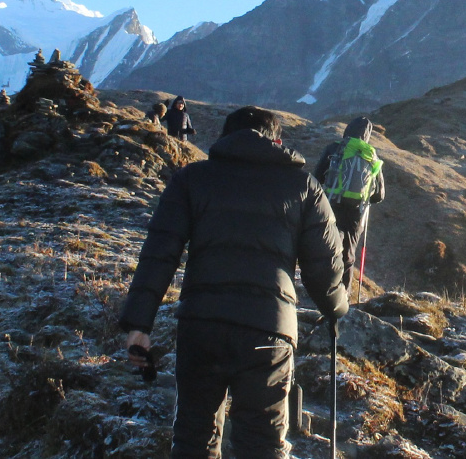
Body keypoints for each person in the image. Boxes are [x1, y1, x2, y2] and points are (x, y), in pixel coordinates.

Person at [118, 105, 348, 459]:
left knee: (194, 440)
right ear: (278, 140)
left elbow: (159, 253)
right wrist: (335, 308)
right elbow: (325, 267)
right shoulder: (303, 186)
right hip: (269, 332)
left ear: (225, 138)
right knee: (262, 445)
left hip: (201, 325)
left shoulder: (192, 179)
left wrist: (138, 324)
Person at [312, 118, 385, 288]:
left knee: (326, 245)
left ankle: (322, 288)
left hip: (331, 204)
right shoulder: (371, 154)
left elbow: (317, 176)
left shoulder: (335, 148)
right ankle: (343, 294)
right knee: (348, 254)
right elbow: (379, 194)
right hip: (356, 211)